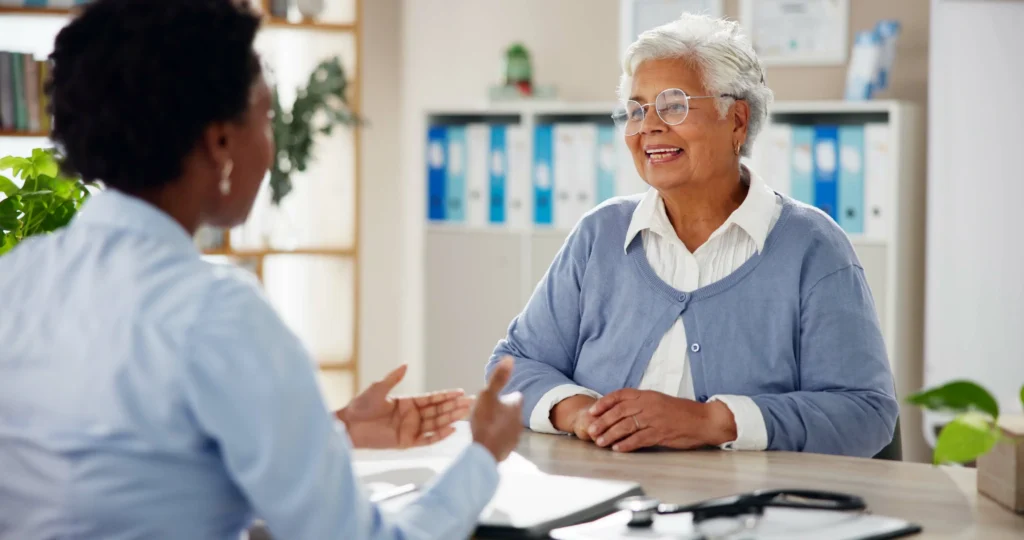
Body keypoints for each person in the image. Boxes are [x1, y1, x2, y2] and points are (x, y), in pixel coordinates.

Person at [0, 1, 522, 539]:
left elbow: (142, 475)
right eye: (265, 117)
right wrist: (481, 457)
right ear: (220, 140)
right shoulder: (218, 313)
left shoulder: (16, 279)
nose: (270, 148)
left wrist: (331, 433)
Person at [486, 13, 897, 458]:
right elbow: (514, 367)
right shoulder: (599, 235)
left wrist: (711, 421)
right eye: (637, 110)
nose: (649, 126)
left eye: (674, 105)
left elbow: (865, 414)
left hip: (746, 515)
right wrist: (581, 412)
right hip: (603, 506)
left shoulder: (813, 247)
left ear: (737, 120)